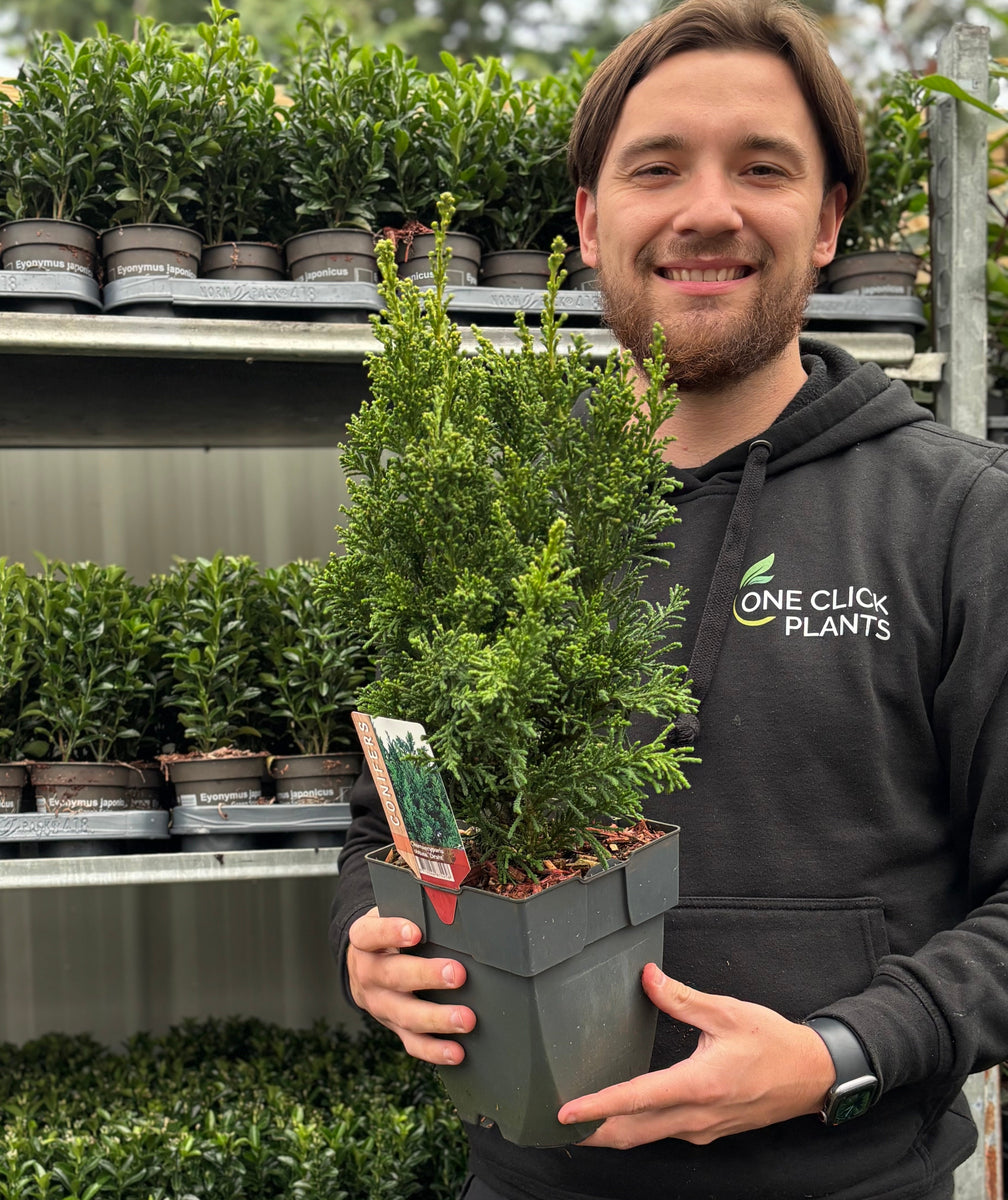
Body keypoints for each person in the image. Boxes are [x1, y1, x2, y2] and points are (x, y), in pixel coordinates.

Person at [328, 1, 1008, 1196]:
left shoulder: (960, 518)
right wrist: (370, 943)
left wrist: (835, 1054)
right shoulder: (490, 517)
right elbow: (392, 803)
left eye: (762, 166)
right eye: (657, 168)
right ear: (591, 221)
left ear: (831, 219)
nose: (708, 208)